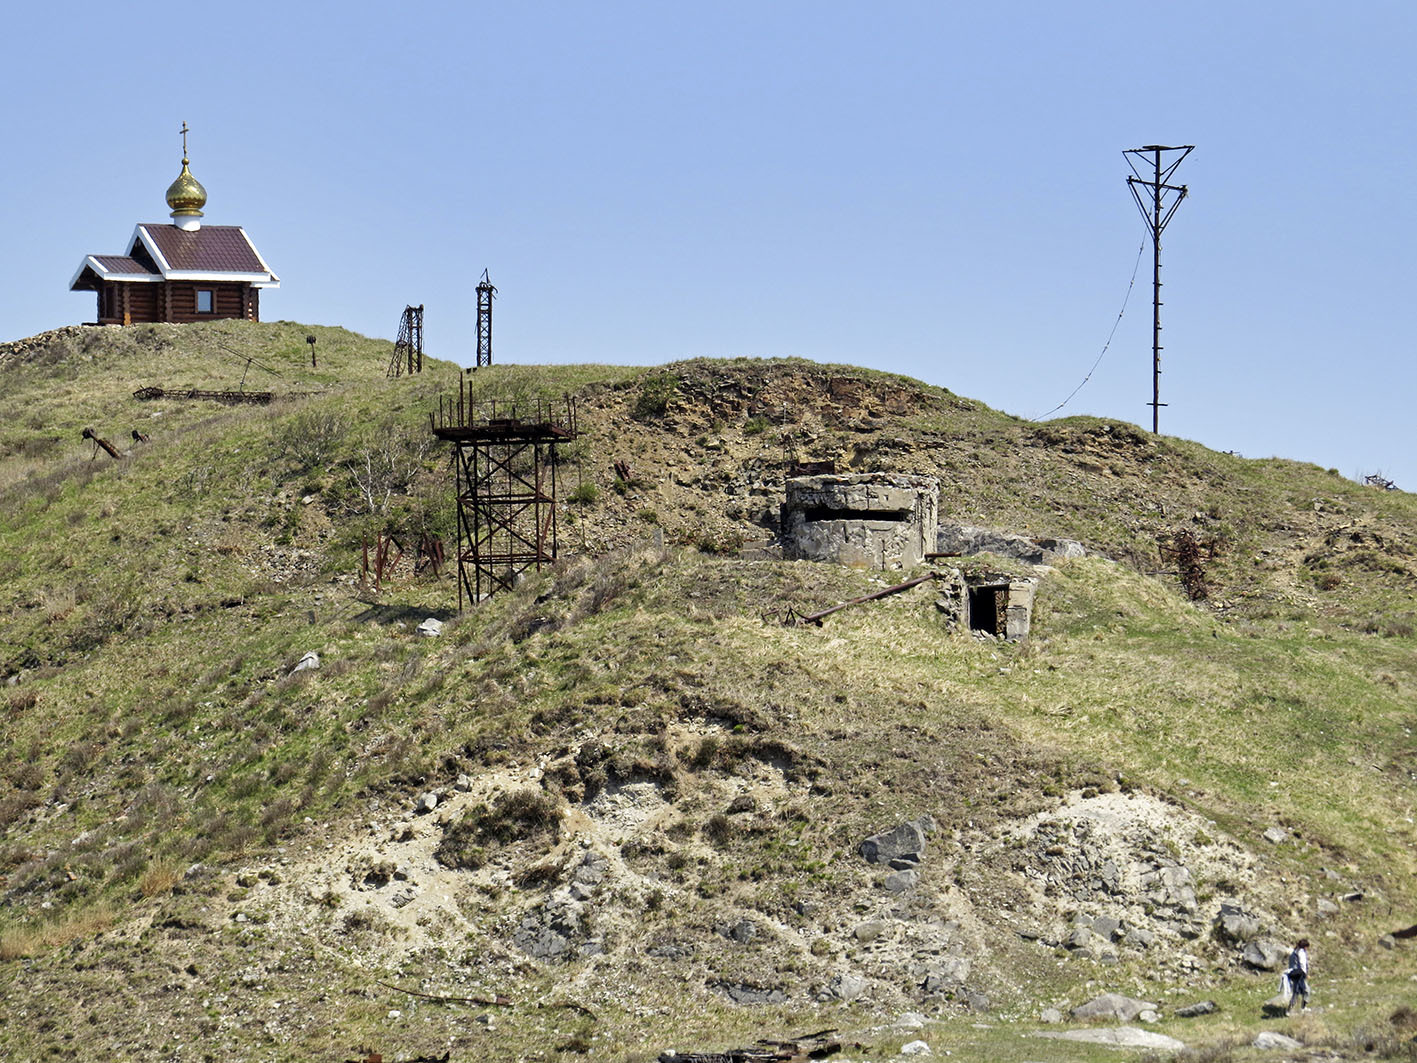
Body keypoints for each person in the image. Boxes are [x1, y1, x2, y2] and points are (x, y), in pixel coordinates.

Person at [1286, 938, 1311, 1012]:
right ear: (1305, 946)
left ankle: (1294, 1009)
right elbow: (1303, 964)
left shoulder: (1294, 952)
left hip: (1293, 974)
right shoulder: (1301, 952)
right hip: (1299, 975)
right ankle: (1292, 1010)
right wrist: (1306, 974)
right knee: (1303, 991)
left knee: (1298, 992)